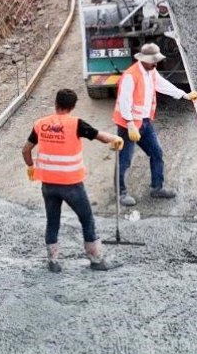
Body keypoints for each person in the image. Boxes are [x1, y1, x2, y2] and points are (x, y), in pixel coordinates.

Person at [23, 88, 125, 272]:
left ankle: (53, 262)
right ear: (73, 107)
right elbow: (100, 136)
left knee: (52, 222)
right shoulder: (76, 124)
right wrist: (116, 138)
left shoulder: (40, 124)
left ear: (56, 104)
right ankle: (96, 261)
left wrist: (31, 167)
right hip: (71, 184)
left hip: (48, 184)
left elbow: (26, 150)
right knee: (87, 220)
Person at [114, 43, 197, 207]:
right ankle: (121, 193)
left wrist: (184, 95)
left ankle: (157, 187)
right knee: (125, 160)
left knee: (157, 153)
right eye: (153, 61)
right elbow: (124, 101)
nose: (156, 64)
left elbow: (163, 85)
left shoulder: (151, 72)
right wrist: (130, 124)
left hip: (144, 122)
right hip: (128, 125)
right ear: (144, 60)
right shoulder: (131, 75)